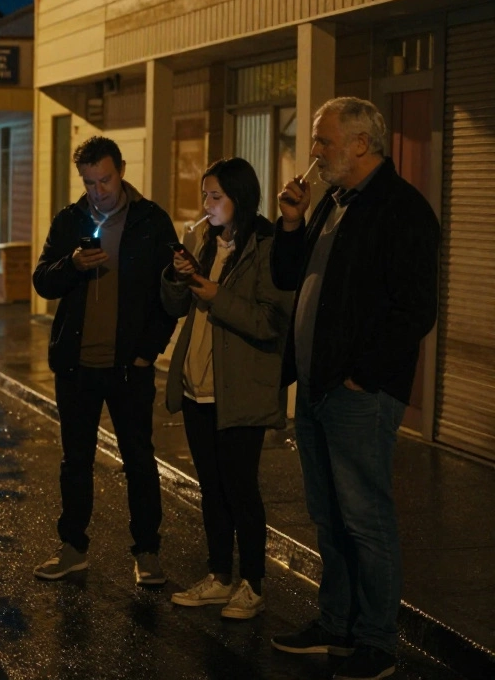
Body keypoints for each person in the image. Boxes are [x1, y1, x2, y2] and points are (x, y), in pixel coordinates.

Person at [269, 98, 439, 680]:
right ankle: (336, 624)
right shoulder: (331, 204)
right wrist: (292, 221)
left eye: (322, 140)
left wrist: (360, 374)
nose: (313, 152)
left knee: (365, 518)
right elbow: (289, 277)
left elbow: (415, 310)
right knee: (328, 515)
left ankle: (375, 640)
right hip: (318, 387)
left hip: (358, 394)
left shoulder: (401, 209)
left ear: (361, 144)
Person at [31, 135, 177, 586]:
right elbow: (42, 281)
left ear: (122, 171)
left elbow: (170, 295)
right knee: (76, 461)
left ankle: (147, 551)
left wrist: (145, 352)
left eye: (105, 180)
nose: (99, 191)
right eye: (90, 182)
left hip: (128, 367)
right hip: (76, 365)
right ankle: (73, 547)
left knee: (139, 459)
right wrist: (72, 264)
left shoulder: (151, 221)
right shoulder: (69, 220)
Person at [159, 158, 292, 620]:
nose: (208, 205)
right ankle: (218, 575)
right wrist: (179, 277)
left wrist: (217, 294)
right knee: (211, 489)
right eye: (205, 196)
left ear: (241, 197)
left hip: (239, 390)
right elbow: (177, 305)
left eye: (217, 196)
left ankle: (252, 583)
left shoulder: (267, 246)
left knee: (240, 489)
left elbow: (270, 322)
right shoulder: (203, 239)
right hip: (198, 387)